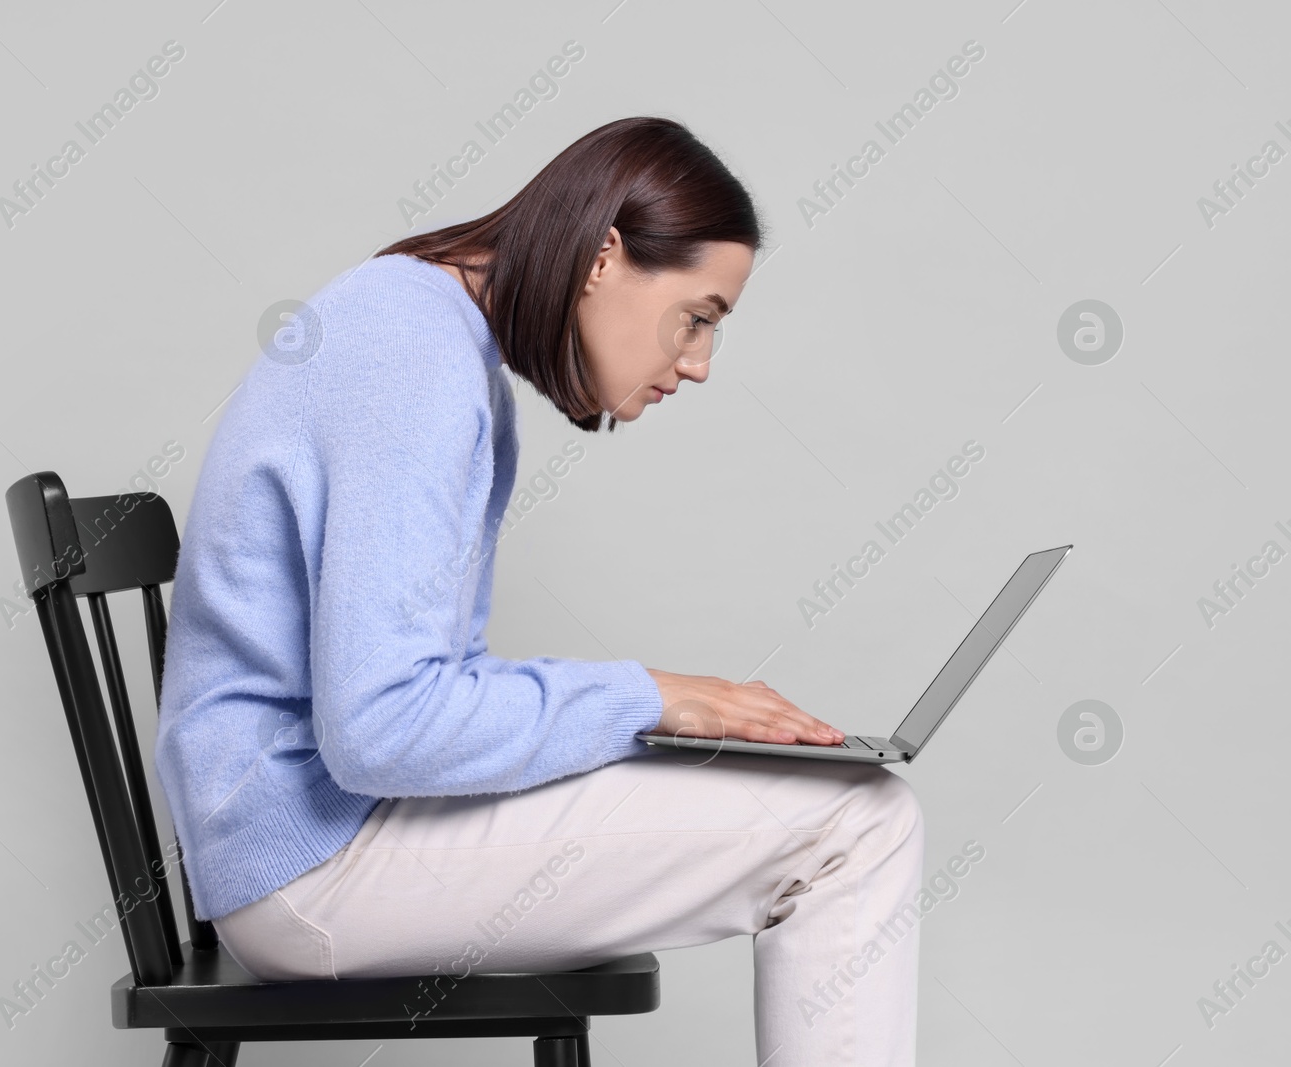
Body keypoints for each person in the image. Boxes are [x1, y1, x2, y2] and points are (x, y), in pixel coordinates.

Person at [154, 115, 925, 1066]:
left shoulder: (419, 327)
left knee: (829, 802)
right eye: (699, 316)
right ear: (605, 256)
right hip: (309, 867)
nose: (698, 363)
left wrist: (653, 717)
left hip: (309, 833)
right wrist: (649, 696)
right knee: (858, 822)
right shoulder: (415, 362)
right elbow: (382, 727)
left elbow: (410, 697)